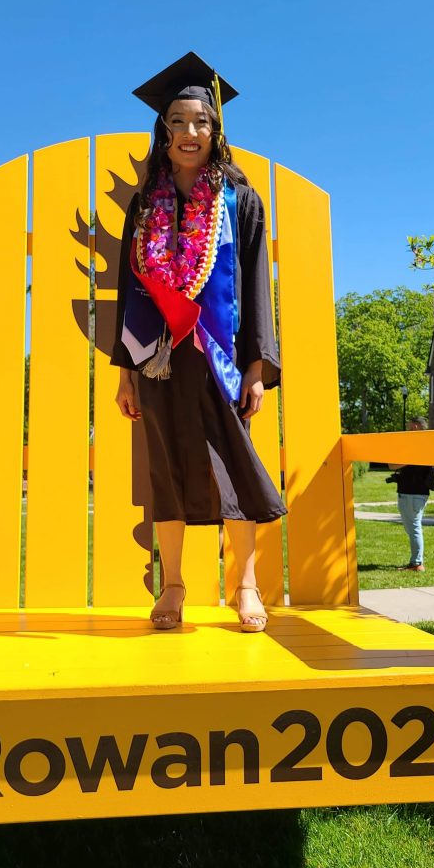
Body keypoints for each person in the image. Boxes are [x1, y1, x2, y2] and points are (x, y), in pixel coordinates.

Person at [111, 53, 286, 632]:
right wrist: (125, 370)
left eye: (201, 123)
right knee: (166, 472)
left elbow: (257, 283)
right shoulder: (145, 205)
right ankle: (175, 587)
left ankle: (246, 588)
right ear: (163, 133)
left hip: (220, 359)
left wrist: (257, 366)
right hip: (158, 361)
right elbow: (129, 287)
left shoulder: (241, 201)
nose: (190, 134)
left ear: (217, 131)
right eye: (178, 122)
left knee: (232, 470)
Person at [387, 417, 434, 572]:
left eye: (409, 427)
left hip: (414, 494)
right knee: (412, 528)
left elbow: (393, 464)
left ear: (416, 427)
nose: (407, 429)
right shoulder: (421, 446)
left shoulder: (421, 447)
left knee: (414, 528)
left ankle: (417, 563)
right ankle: (416, 562)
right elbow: (391, 465)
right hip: (410, 493)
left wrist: (408, 458)